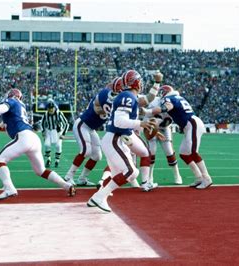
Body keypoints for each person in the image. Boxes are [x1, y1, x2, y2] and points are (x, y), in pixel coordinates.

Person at [0, 88, 76, 200]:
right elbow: (1, 125)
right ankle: (66, 185)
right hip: (33, 138)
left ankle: (9, 188)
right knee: (41, 171)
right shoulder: (20, 107)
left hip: (24, 137)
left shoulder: (12, 101)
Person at [87, 70, 156, 212]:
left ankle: (98, 196)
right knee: (131, 172)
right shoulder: (127, 96)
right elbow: (119, 121)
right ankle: (99, 197)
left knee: (125, 172)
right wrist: (140, 124)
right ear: (136, 82)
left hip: (118, 138)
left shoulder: (128, 96)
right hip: (114, 138)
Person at [142, 85, 212, 189]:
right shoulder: (177, 97)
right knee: (184, 154)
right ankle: (199, 177)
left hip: (192, 124)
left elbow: (166, 107)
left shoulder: (169, 98)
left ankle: (207, 178)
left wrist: (148, 111)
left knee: (193, 152)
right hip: (189, 125)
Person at [64, 77, 123, 186]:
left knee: (97, 156)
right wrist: (110, 109)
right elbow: (96, 109)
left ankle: (82, 178)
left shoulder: (116, 100)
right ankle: (68, 176)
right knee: (86, 151)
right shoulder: (105, 94)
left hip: (91, 129)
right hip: (83, 124)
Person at [143, 96, 183, 185]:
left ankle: (177, 175)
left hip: (165, 128)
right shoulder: (154, 103)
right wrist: (155, 132)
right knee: (152, 151)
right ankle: (150, 176)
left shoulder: (174, 105)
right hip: (151, 127)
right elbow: (146, 120)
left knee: (169, 151)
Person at [41, 100, 69, 168]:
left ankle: (57, 161)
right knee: (47, 145)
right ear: (47, 108)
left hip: (58, 131)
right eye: (49, 108)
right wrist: (43, 131)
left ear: (54, 107)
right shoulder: (46, 114)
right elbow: (42, 123)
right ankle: (48, 160)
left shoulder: (59, 113)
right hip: (49, 131)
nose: (51, 109)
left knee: (58, 146)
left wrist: (63, 134)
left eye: (52, 108)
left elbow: (66, 124)